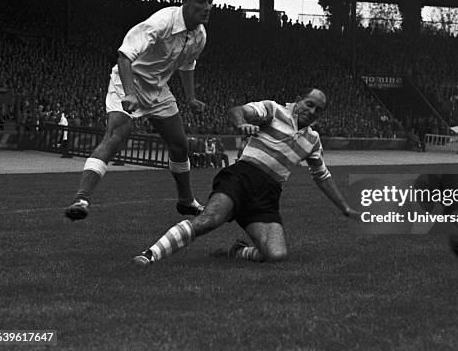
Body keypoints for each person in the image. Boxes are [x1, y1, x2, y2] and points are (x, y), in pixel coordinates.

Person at [133, 88, 360, 265]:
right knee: (207, 221)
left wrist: (345, 208)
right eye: (309, 104)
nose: (311, 111)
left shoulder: (313, 140)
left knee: (276, 255)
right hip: (241, 177)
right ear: (299, 100)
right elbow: (237, 110)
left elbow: (321, 175)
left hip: (268, 194)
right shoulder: (273, 110)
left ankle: (238, 251)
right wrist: (242, 123)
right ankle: (151, 254)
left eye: (318, 110)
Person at [65, 0, 215, 221]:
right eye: (201, 1)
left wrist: (191, 98)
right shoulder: (161, 22)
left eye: (210, 1)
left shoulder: (200, 35)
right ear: (185, 0)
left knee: (180, 144)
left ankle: (186, 201)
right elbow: (124, 57)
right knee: (116, 135)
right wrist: (131, 94)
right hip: (128, 81)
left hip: (158, 89)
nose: (207, 7)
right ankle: (81, 199)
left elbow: (187, 65)